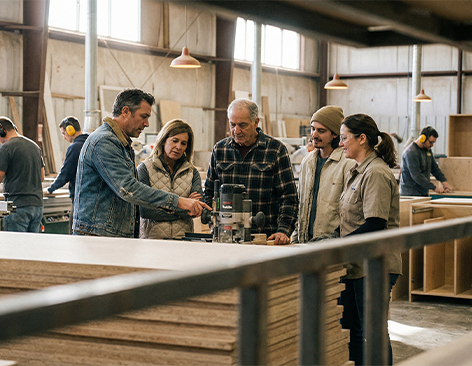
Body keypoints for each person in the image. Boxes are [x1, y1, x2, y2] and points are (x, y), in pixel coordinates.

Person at [73, 88, 210, 238]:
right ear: (125, 111)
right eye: (143, 116)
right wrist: (179, 201)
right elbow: (129, 189)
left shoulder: (121, 144)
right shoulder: (105, 141)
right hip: (98, 234)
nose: (146, 124)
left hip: (109, 233)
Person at [335, 114, 402, 366]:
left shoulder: (375, 173)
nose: (341, 144)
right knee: (353, 329)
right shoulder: (357, 171)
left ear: (362, 139)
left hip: (374, 266)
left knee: (371, 333)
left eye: (344, 138)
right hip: (356, 265)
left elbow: (375, 224)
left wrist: (338, 246)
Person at [203, 98, 298, 244]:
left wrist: (283, 230)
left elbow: (288, 196)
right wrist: (213, 223)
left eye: (242, 125)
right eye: (232, 124)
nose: (236, 130)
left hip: (264, 238)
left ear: (256, 122)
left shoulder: (275, 150)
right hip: (226, 238)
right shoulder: (220, 150)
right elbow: (209, 192)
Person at [291, 105, 355, 243]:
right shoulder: (307, 162)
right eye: (313, 129)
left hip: (332, 244)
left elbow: (351, 212)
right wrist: (295, 239)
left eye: (321, 131)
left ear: (335, 134)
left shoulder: (347, 164)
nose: (314, 134)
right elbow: (301, 204)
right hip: (305, 243)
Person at [137, 119, 203, 239]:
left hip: (183, 242)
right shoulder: (145, 169)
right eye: (174, 141)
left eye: (183, 143)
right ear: (163, 141)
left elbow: (196, 209)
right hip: (153, 241)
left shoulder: (192, 172)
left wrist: (160, 207)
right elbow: (146, 211)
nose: (178, 147)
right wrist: (184, 206)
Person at [43, 116, 89, 233]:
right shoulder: (90, 143)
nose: (64, 137)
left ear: (70, 130)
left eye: (64, 133)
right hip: (91, 197)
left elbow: (65, 174)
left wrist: (51, 188)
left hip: (80, 199)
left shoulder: (75, 147)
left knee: (75, 233)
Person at [0, 117, 45, 232]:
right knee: (31, 247)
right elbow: (42, 176)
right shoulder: (34, 146)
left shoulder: (5, 148)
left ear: (2, 131)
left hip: (17, 207)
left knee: (16, 248)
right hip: (37, 206)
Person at [400, 126, 454, 196]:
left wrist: (444, 181)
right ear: (422, 138)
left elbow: (434, 168)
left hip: (422, 193)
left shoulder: (427, 150)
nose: (432, 145)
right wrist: (434, 188)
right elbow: (416, 175)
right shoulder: (411, 152)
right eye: (431, 142)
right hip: (410, 194)